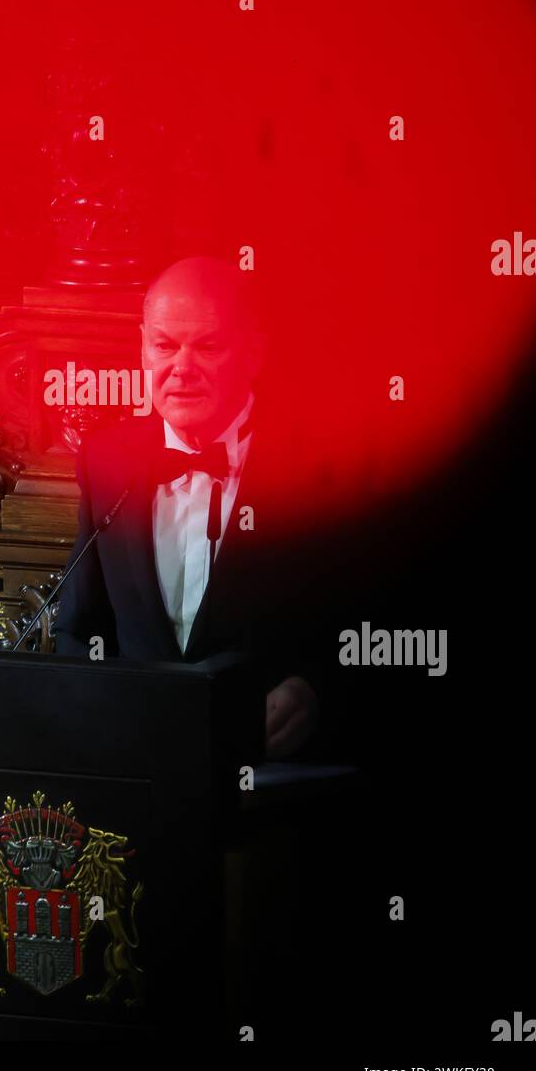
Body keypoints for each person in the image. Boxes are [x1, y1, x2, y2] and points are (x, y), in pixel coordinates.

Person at [54, 254, 329, 760]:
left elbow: (366, 623)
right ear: (143, 349)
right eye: (164, 345)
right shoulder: (104, 458)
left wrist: (315, 691)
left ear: (253, 354)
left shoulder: (321, 467)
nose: (181, 368)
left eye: (208, 346)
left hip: (267, 774)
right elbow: (78, 626)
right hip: (135, 762)